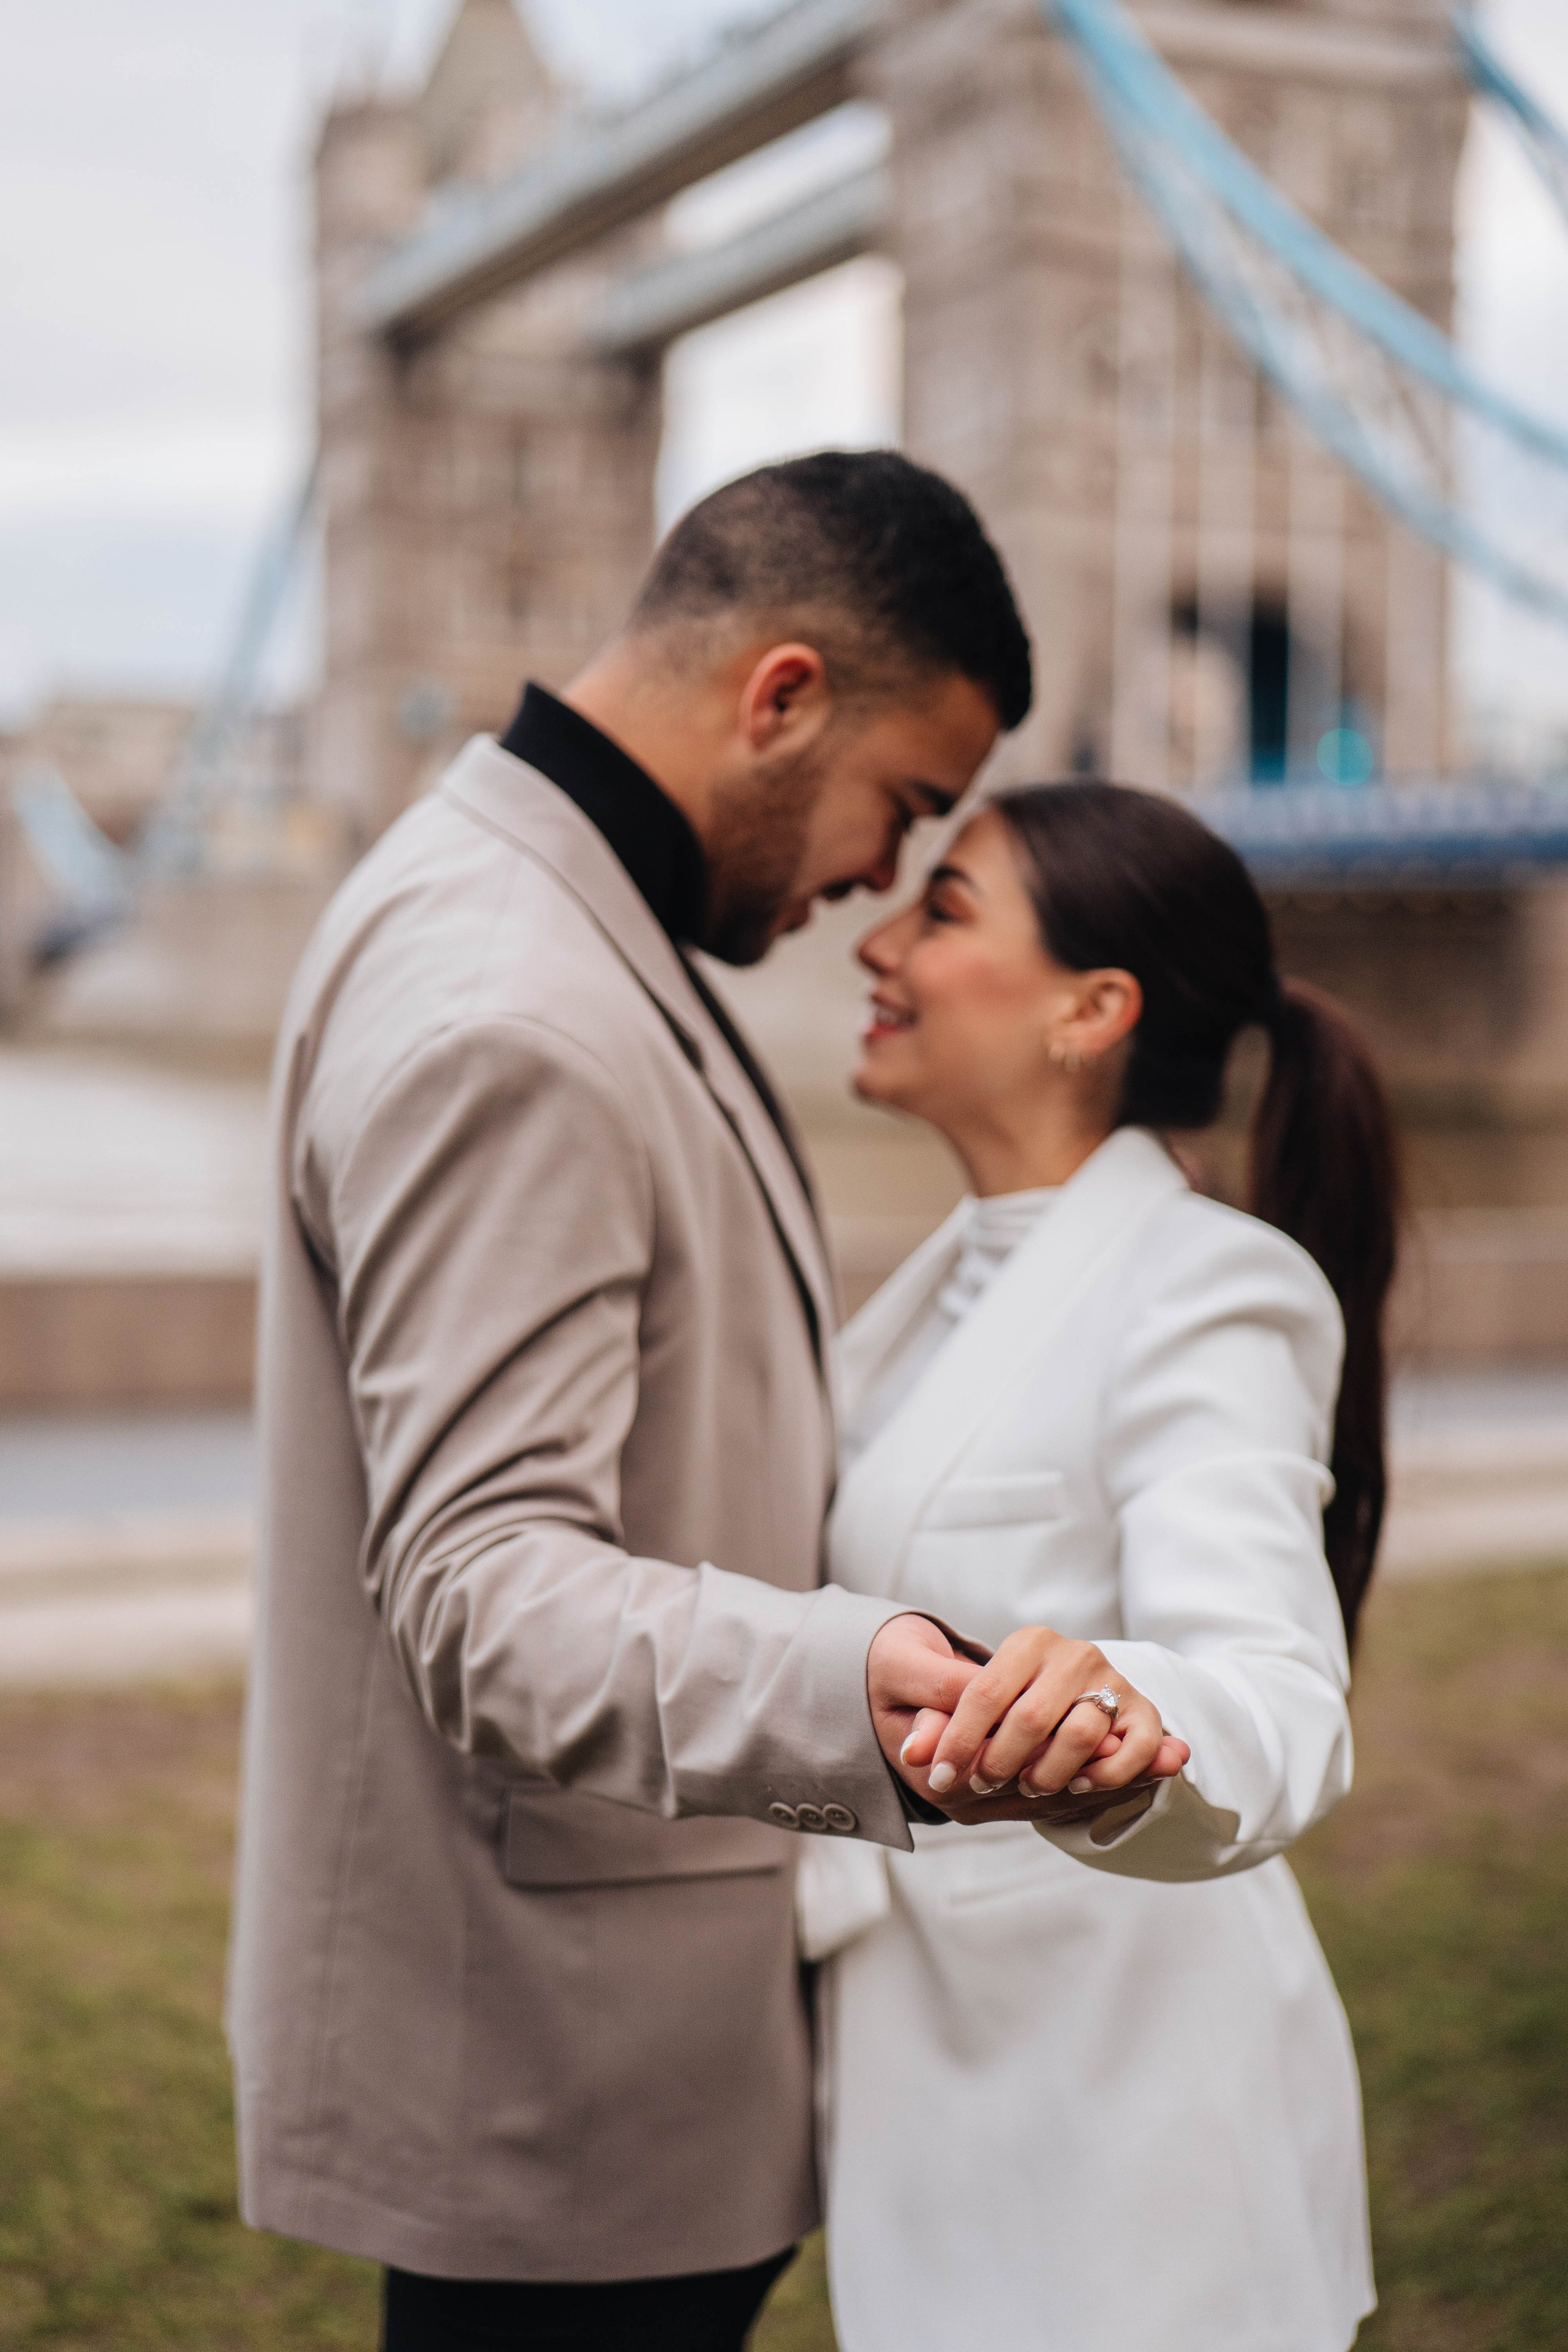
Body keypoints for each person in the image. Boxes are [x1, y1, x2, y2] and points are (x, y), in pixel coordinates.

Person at [230, 452, 1183, 2352]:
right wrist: (875, 1688)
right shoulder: (512, 1001)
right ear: (781, 698)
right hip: (557, 2077)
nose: (875, 892)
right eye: (904, 809)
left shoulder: (543, 908)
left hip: (612, 2027)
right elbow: (487, 1588)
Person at [801, 780, 1400, 2352]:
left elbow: (1274, 1688)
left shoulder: (1207, 1288)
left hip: (1133, 2130)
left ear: (1090, 1007)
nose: (876, 944)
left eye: (941, 910)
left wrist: (1128, 1733)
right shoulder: (935, 1287)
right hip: (932, 2090)